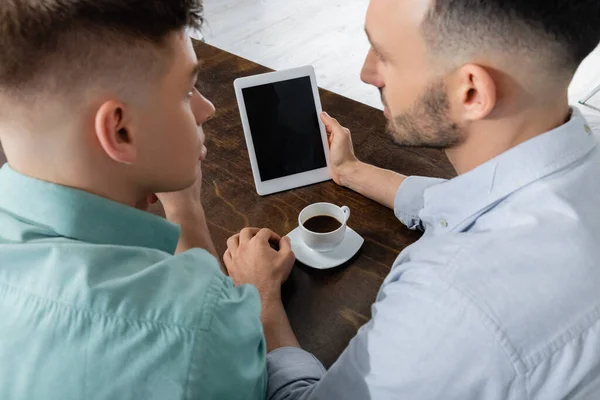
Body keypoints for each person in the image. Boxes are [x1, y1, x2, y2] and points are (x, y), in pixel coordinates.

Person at [223, 0, 600, 399]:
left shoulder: (449, 304)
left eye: (384, 56)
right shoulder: (572, 168)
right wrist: (352, 170)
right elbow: (467, 201)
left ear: (470, 91)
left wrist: (260, 298)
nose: (366, 73)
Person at [0, 1, 266, 399]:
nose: (206, 109)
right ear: (120, 130)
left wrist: (182, 207)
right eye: (186, 91)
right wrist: (258, 288)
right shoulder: (198, 330)